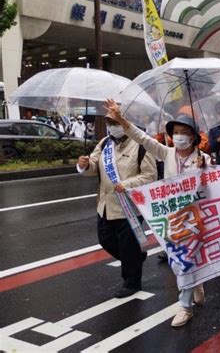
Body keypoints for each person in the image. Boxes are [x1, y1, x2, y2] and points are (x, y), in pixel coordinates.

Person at [105, 98, 210, 327]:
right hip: (170, 217)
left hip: (195, 219)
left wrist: (204, 169)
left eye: (184, 132)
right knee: (175, 261)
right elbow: (141, 138)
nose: (179, 136)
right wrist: (121, 119)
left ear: (194, 137)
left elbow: (210, 186)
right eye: (176, 132)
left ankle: (185, 307)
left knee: (185, 260)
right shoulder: (167, 153)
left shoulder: (204, 159)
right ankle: (198, 283)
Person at [77, 115, 157, 298]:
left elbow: (150, 176)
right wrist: (84, 165)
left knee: (128, 246)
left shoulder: (141, 144)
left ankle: (131, 282)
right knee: (106, 240)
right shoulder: (105, 143)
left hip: (129, 206)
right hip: (105, 204)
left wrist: (127, 184)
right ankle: (135, 259)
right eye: (110, 123)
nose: (113, 127)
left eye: (117, 122)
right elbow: (93, 166)